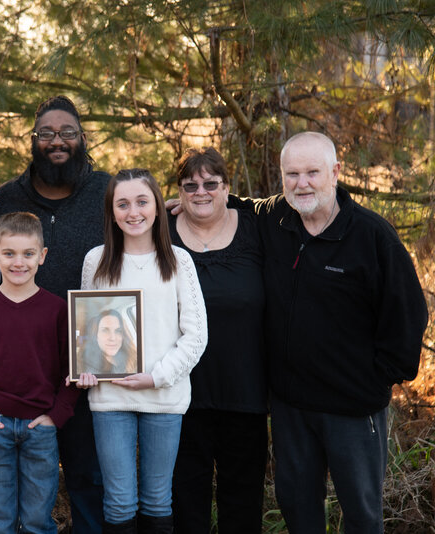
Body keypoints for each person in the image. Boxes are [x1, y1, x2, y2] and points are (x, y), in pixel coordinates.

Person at [252, 131, 429, 533]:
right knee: (298, 510)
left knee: (362, 516)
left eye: (312, 172)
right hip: (290, 407)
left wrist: (378, 377)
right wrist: (194, 202)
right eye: (292, 174)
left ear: (335, 172)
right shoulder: (275, 219)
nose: (302, 183)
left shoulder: (371, 236)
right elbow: (235, 206)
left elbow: (409, 313)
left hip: (353, 408)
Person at [0, 95, 110, 533]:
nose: (58, 141)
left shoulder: (108, 193)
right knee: (16, 491)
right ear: (33, 141)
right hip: (22, 363)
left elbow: (148, 221)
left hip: (90, 359)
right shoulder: (0, 202)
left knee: (87, 475)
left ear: (82, 139)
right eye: (47, 134)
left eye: (68, 133)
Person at [77, 169, 207, 534]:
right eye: (123, 204)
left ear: (156, 207)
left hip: (164, 397)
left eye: (141, 202)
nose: (133, 212)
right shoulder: (96, 261)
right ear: (112, 212)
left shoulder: (179, 261)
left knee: (157, 499)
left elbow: (196, 336)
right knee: (118, 501)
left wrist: (156, 376)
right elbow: (86, 331)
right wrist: (86, 368)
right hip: (110, 400)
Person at [0, 212, 79, 534]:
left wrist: (56, 416)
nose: (18, 262)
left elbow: (71, 371)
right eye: (9, 253)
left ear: (42, 256)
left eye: (27, 254)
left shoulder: (57, 310)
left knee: (38, 520)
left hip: (41, 428)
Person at [167, 147, 267, 534]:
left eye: (211, 183)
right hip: (179, 396)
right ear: (179, 190)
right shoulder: (162, 231)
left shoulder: (255, 228)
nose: (200, 192)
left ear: (227, 187)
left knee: (241, 508)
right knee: (184, 506)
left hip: (245, 395)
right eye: (190, 186)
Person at [79, 309, 138, 376]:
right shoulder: (85, 366)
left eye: (118, 331)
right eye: (105, 330)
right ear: (96, 336)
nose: (112, 338)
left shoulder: (135, 359)